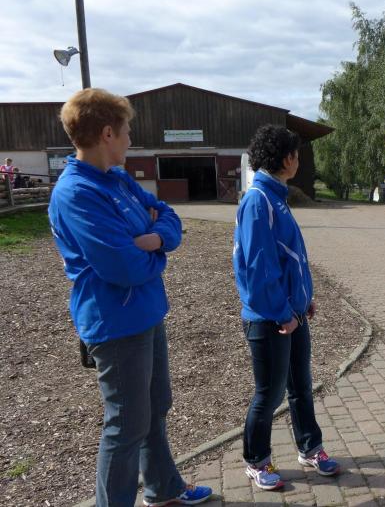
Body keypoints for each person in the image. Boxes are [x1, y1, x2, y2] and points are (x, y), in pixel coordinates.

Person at [48, 88, 212, 507]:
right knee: (125, 425)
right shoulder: (77, 193)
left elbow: (168, 215)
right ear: (107, 134)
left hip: (146, 311)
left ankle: (163, 489)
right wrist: (156, 252)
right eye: (126, 131)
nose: (130, 139)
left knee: (155, 407)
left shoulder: (117, 180)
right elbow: (121, 267)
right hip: (116, 323)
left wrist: (154, 240)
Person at [233, 124, 340, 491]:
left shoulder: (275, 197)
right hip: (270, 319)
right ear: (285, 158)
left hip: (291, 315)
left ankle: (310, 448)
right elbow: (259, 269)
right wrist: (283, 314)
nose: (299, 159)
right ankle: (256, 460)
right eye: (296, 153)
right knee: (269, 395)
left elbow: (289, 259)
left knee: (301, 388)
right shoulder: (258, 201)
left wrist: (302, 302)